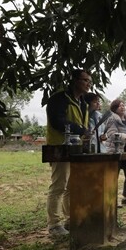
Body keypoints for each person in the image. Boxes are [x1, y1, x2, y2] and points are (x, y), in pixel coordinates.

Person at [45, 69, 91, 236]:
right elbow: (58, 122)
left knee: (72, 186)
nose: (88, 84)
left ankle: (70, 220)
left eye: (89, 81)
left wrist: (85, 134)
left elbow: (82, 125)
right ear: (74, 81)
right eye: (85, 80)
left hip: (75, 148)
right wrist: (80, 130)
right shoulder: (59, 99)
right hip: (59, 147)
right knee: (58, 185)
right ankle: (54, 224)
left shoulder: (83, 103)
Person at [104, 99, 126, 206]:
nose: (123, 107)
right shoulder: (112, 119)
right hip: (116, 151)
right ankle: (112, 200)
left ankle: (125, 198)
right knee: (114, 177)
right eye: (120, 106)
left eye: (124, 105)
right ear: (115, 108)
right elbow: (112, 134)